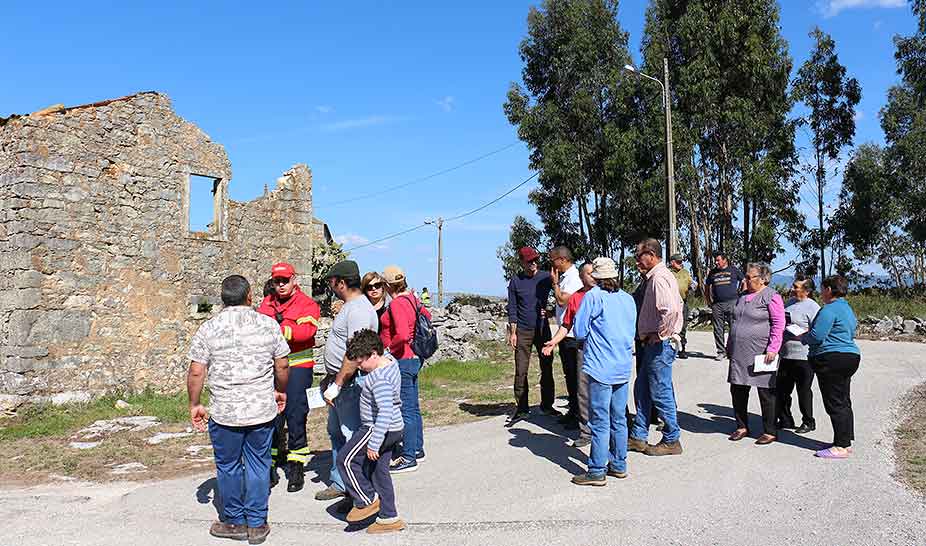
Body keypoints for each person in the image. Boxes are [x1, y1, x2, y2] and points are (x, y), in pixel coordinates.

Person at [187, 275, 290, 545]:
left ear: (223, 299)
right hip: (260, 409)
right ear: (250, 296)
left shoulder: (209, 328)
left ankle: (233, 521)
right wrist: (281, 390)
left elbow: (197, 370)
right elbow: (282, 364)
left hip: (225, 412)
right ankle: (257, 523)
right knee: (258, 464)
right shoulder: (268, 325)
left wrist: (195, 403)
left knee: (228, 465)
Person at [315, 260, 380, 502]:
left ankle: (357, 488)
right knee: (336, 431)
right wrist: (331, 378)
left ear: (341, 282)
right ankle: (341, 481)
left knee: (351, 433)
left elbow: (355, 353)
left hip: (349, 384)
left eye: (331, 281)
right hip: (340, 381)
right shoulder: (351, 307)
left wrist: (338, 384)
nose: (330, 285)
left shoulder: (359, 310)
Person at [569, 257, 637, 486]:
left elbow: (579, 330)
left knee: (599, 420)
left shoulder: (593, 296)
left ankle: (597, 470)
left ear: (596, 277)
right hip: (622, 365)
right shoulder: (627, 299)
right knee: (619, 418)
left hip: (600, 366)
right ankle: (619, 464)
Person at [256, 262, 320, 493]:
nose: (281, 285)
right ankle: (270, 465)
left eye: (285, 281)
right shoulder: (267, 303)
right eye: (277, 281)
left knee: (295, 416)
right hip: (271, 367)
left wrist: (278, 330)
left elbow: (307, 333)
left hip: (298, 367)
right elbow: (257, 328)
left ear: (294, 280)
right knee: (270, 417)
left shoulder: (307, 304)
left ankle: (296, 466)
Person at [336, 329, 407, 534]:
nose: (359, 367)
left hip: (377, 428)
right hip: (394, 428)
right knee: (379, 471)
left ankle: (367, 499)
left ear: (374, 354)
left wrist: (374, 443)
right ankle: (389, 518)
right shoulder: (390, 362)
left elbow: (384, 412)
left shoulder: (379, 379)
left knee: (346, 460)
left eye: (361, 362)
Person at [628, 239, 685, 456]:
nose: (636, 262)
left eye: (639, 256)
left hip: (660, 345)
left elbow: (670, 310)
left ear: (651, 255)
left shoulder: (659, 278)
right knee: (642, 389)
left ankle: (672, 439)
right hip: (654, 345)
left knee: (660, 391)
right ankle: (638, 436)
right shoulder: (657, 276)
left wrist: (660, 334)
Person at [379, 265, 431, 474]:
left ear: (387, 285)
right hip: (415, 357)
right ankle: (417, 448)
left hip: (403, 359)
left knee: (406, 410)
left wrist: (388, 350)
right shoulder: (412, 299)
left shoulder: (397, 304)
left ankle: (408, 457)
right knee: (413, 407)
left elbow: (401, 334)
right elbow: (427, 316)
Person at [726, 263, 785, 445]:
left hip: (761, 352)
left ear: (762, 279)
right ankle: (741, 426)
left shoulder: (771, 296)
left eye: (749, 277)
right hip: (739, 352)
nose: (745, 280)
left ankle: (769, 431)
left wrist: (773, 348)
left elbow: (778, 323)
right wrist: (730, 344)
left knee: (766, 392)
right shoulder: (742, 296)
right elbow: (735, 321)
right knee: (737, 389)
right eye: (746, 276)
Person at [806, 275, 861, 459]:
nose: (820, 293)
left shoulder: (828, 309)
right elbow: (849, 331)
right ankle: (845, 440)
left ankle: (841, 446)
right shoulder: (847, 308)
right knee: (843, 400)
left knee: (834, 402)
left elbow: (817, 335)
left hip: (831, 358)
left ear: (829, 289)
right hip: (850, 356)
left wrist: (803, 337)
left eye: (822, 289)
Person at [543, 262, 596, 447]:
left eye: (595, 272)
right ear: (582, 277)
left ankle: (620, 426)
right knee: (583, 391)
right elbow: (566, 324)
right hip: (583, 348)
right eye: (589, 273)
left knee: (607, 389)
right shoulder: (576, 297)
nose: (593, 276)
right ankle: (586, 432)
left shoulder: (607, 295)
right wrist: (553, 341)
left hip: (604, 350)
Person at [505, 246, 555, 425]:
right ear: (522, 262)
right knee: (521, 370)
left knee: (547, 367)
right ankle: (522, 408)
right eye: (529, 261)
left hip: (543, 330)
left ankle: (547, 406)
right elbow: (512, 308)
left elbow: (560, 296)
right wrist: (513, 333)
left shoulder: (546, 277)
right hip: (523, 331)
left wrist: (550, 311)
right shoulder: (515, 281)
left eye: (535, 260)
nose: (533, 263)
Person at [776, 277, 820, 434]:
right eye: (793, 286)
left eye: (796, 287)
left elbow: (817, 331)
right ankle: (785, 419)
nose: (792, 289)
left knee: (803, 391)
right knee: (782, 390)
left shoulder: (813, 307)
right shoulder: (788, 303)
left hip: (804, 356)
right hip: (786, 354)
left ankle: (808, 421)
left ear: (807, 291)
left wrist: (801, 333)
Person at [549, 246, 584, 429]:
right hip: (565, 333)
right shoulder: (565, 277)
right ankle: (573, 410)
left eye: (553, 260)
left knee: (575, 376)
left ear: (562, 260)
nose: (552, 264)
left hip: (572, 334)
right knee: (568, 374)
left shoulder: (573, 277)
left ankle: (578, 414)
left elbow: (563, 300)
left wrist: (555, 284)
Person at [705, 253, 744, 361]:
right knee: (718, 329)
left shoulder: (733, 270)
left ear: (725, 260)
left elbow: (743, 281)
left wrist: (741, 294)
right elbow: (707, 286)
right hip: (717, 304)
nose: (716, 262)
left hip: (732, 303)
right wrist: (708, 300)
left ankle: (731, 351)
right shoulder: (713, 272)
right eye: (715, 260)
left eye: (718, 260)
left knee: (734, 328)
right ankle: (721, 352)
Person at [668, 254, 692, 359]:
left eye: (681, 261)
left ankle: (682, 349)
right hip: (671, 303)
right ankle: (667, 349)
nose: (680, 263)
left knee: (683, 326)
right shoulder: (667, 273)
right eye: (678, 262)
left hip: (683, 302)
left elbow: (691, 283)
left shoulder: (685, 272)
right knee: (669, 326)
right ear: (672, 262)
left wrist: (693, 286)